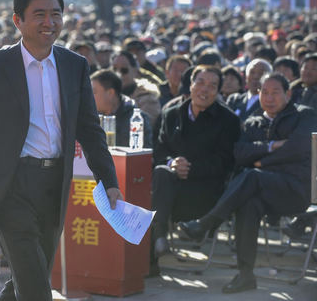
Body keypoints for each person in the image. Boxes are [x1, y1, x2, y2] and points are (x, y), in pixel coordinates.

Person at [0, 0, 122, 301]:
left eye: (55, 14)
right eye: (39, 14)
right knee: (34, 283)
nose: (49, 22)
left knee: (30, 275)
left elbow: (90, 129)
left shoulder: (74, 66)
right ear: (18, 21)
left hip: (54, 183)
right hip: (8, 185)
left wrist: (107, 180)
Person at [180, 73, 316, 293]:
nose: (269, 98)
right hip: (262, 190)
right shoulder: (254, 122)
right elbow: (240, 154)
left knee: (252, 176)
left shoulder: (304, 115)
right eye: (264, 92)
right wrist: (272, 146)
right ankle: (245, 275)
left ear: (288, 93)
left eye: (275, 92)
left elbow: (299, 148)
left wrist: (261, 160)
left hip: (295, 190)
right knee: (248, 203)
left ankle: (206, 223)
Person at [151, 65, 241, 267]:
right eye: (200, 82)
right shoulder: (171, 114)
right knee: (159, 173)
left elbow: (225, 162)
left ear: (218, 91)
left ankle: (158, 238)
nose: (205, 89)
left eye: (212, 85)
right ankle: (159, 240)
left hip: (204, 193)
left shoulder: (229, 121)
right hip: (169, 186)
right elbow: (160, 149)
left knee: (157, 191)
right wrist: (171, 163)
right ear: (190, 86)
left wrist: (189, 168)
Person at [91, 68, 152, 148]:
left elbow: (142, 154)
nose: (89, 97)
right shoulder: (91, 118)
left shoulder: (136, 120)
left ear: (110, 93)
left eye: (93, 92)